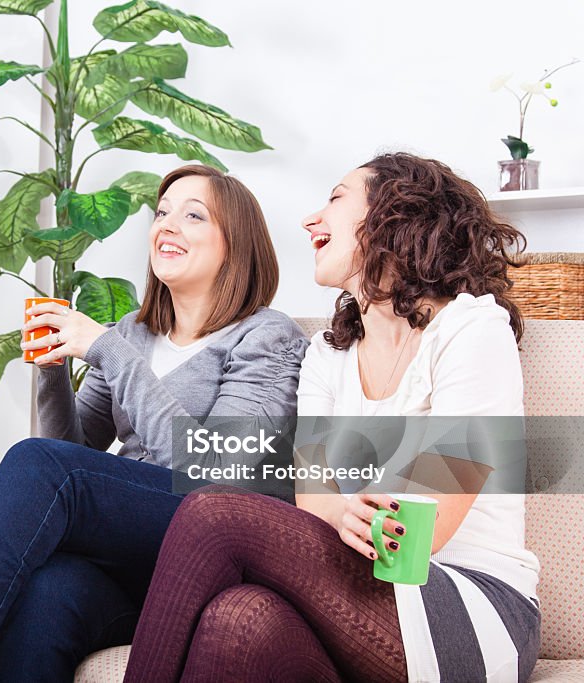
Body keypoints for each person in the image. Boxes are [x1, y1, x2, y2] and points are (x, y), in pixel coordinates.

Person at [124, 152, 541, 682]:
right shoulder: (328, 353)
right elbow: (315, 498)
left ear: (395, 216)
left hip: (472, 606)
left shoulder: (472, 329)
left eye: (336, 199)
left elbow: (426, 524)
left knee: (213, 515)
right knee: (237, 619)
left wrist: (364, 520)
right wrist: (342, 518)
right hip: (371, 594)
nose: (309, 219)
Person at [0, 164, 308, 683]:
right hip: (133, 561)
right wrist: (52, 371)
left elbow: (220, 473)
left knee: (39, 465)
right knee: (49, 592)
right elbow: (73, 451)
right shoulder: (135, 331)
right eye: (162, 212)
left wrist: (107, 350)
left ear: (235, 244)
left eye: (193, 215)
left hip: (211, 536)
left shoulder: (266, 336)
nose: (167, 225)